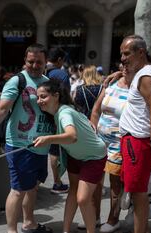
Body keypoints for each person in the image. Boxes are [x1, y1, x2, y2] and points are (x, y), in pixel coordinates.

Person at [0, 43, 54, 233]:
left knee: (32, 187)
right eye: (31, 61)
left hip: (41, 145)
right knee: (18, 190)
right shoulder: (17, 81)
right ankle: (11, 230)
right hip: (20, 144)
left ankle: (29, 223)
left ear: (45, 62)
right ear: (25, 61)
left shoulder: (47, 82)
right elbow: (2, 108)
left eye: (38, 62)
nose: (34, 65)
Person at [34, 79, 106, 233]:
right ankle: (66, 231)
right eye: (38, 97)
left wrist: (48, 139)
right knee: (73, 190)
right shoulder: (60, 111)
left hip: (93, 157)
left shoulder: (64, 113)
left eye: (43, 97)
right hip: (75, 155)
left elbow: (71, 136)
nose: (39, 101)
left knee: (83, 199)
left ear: (56, 96)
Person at [119, 35, 151, 233]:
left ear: (141, 52)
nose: (122, 58)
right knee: (137, 191)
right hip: (134, 142)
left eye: (127, 53)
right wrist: (119, 75)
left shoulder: (147, 76)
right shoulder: (144, 73)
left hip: (138, 142)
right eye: (121, 53)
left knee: (138, 193)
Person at [90, 69, 129, 233]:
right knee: (95, 181)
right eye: (123, 61)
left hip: (119, 143)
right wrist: (93, 133)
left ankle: (113, 220)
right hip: (100, 140)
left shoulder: (138, 86)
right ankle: (94, 217)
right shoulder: (112, 83)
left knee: (115, 184)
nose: (125, 64)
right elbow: (96, 110)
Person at [46, 47, 70, 194]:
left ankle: (55, 181)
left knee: (51, 148)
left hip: (43, 113)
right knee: (59, 147)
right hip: (58, 113)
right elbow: (65, 97)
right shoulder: (61, 74)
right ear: (60, 60)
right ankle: (59, 181)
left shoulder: (43, 72)